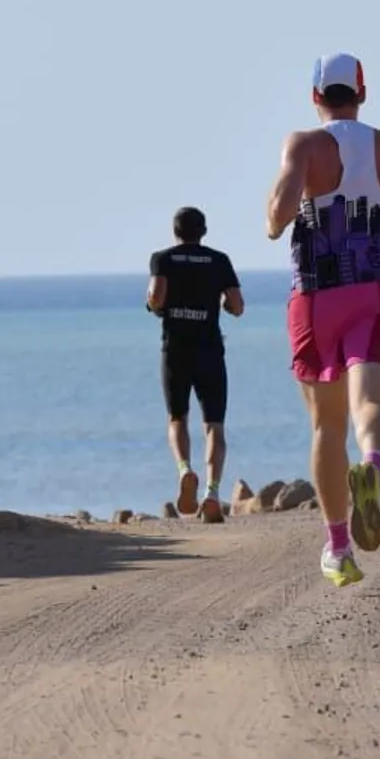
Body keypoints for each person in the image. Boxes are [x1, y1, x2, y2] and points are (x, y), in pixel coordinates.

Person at [266, 53, 380, 587]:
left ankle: (338, 549)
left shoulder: (302, 145)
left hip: (317, 295)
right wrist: (379, 214)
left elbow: (276, 219)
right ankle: (375, 468)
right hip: (376, 287)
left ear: (315, 96)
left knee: (325, 424)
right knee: (371, 405)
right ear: (362, 93)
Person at [146, 207, 244, 523]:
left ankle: (185, 470)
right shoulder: (219, 260)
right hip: (210, 350)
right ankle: (213, 492)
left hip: (175, 349)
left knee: (177, 418)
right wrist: (221, 304)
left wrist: (152, 305)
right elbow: (238, 306)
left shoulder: (162, 259)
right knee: (214, 424)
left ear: (175, 231)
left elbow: (156, 298)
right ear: (203, 231)